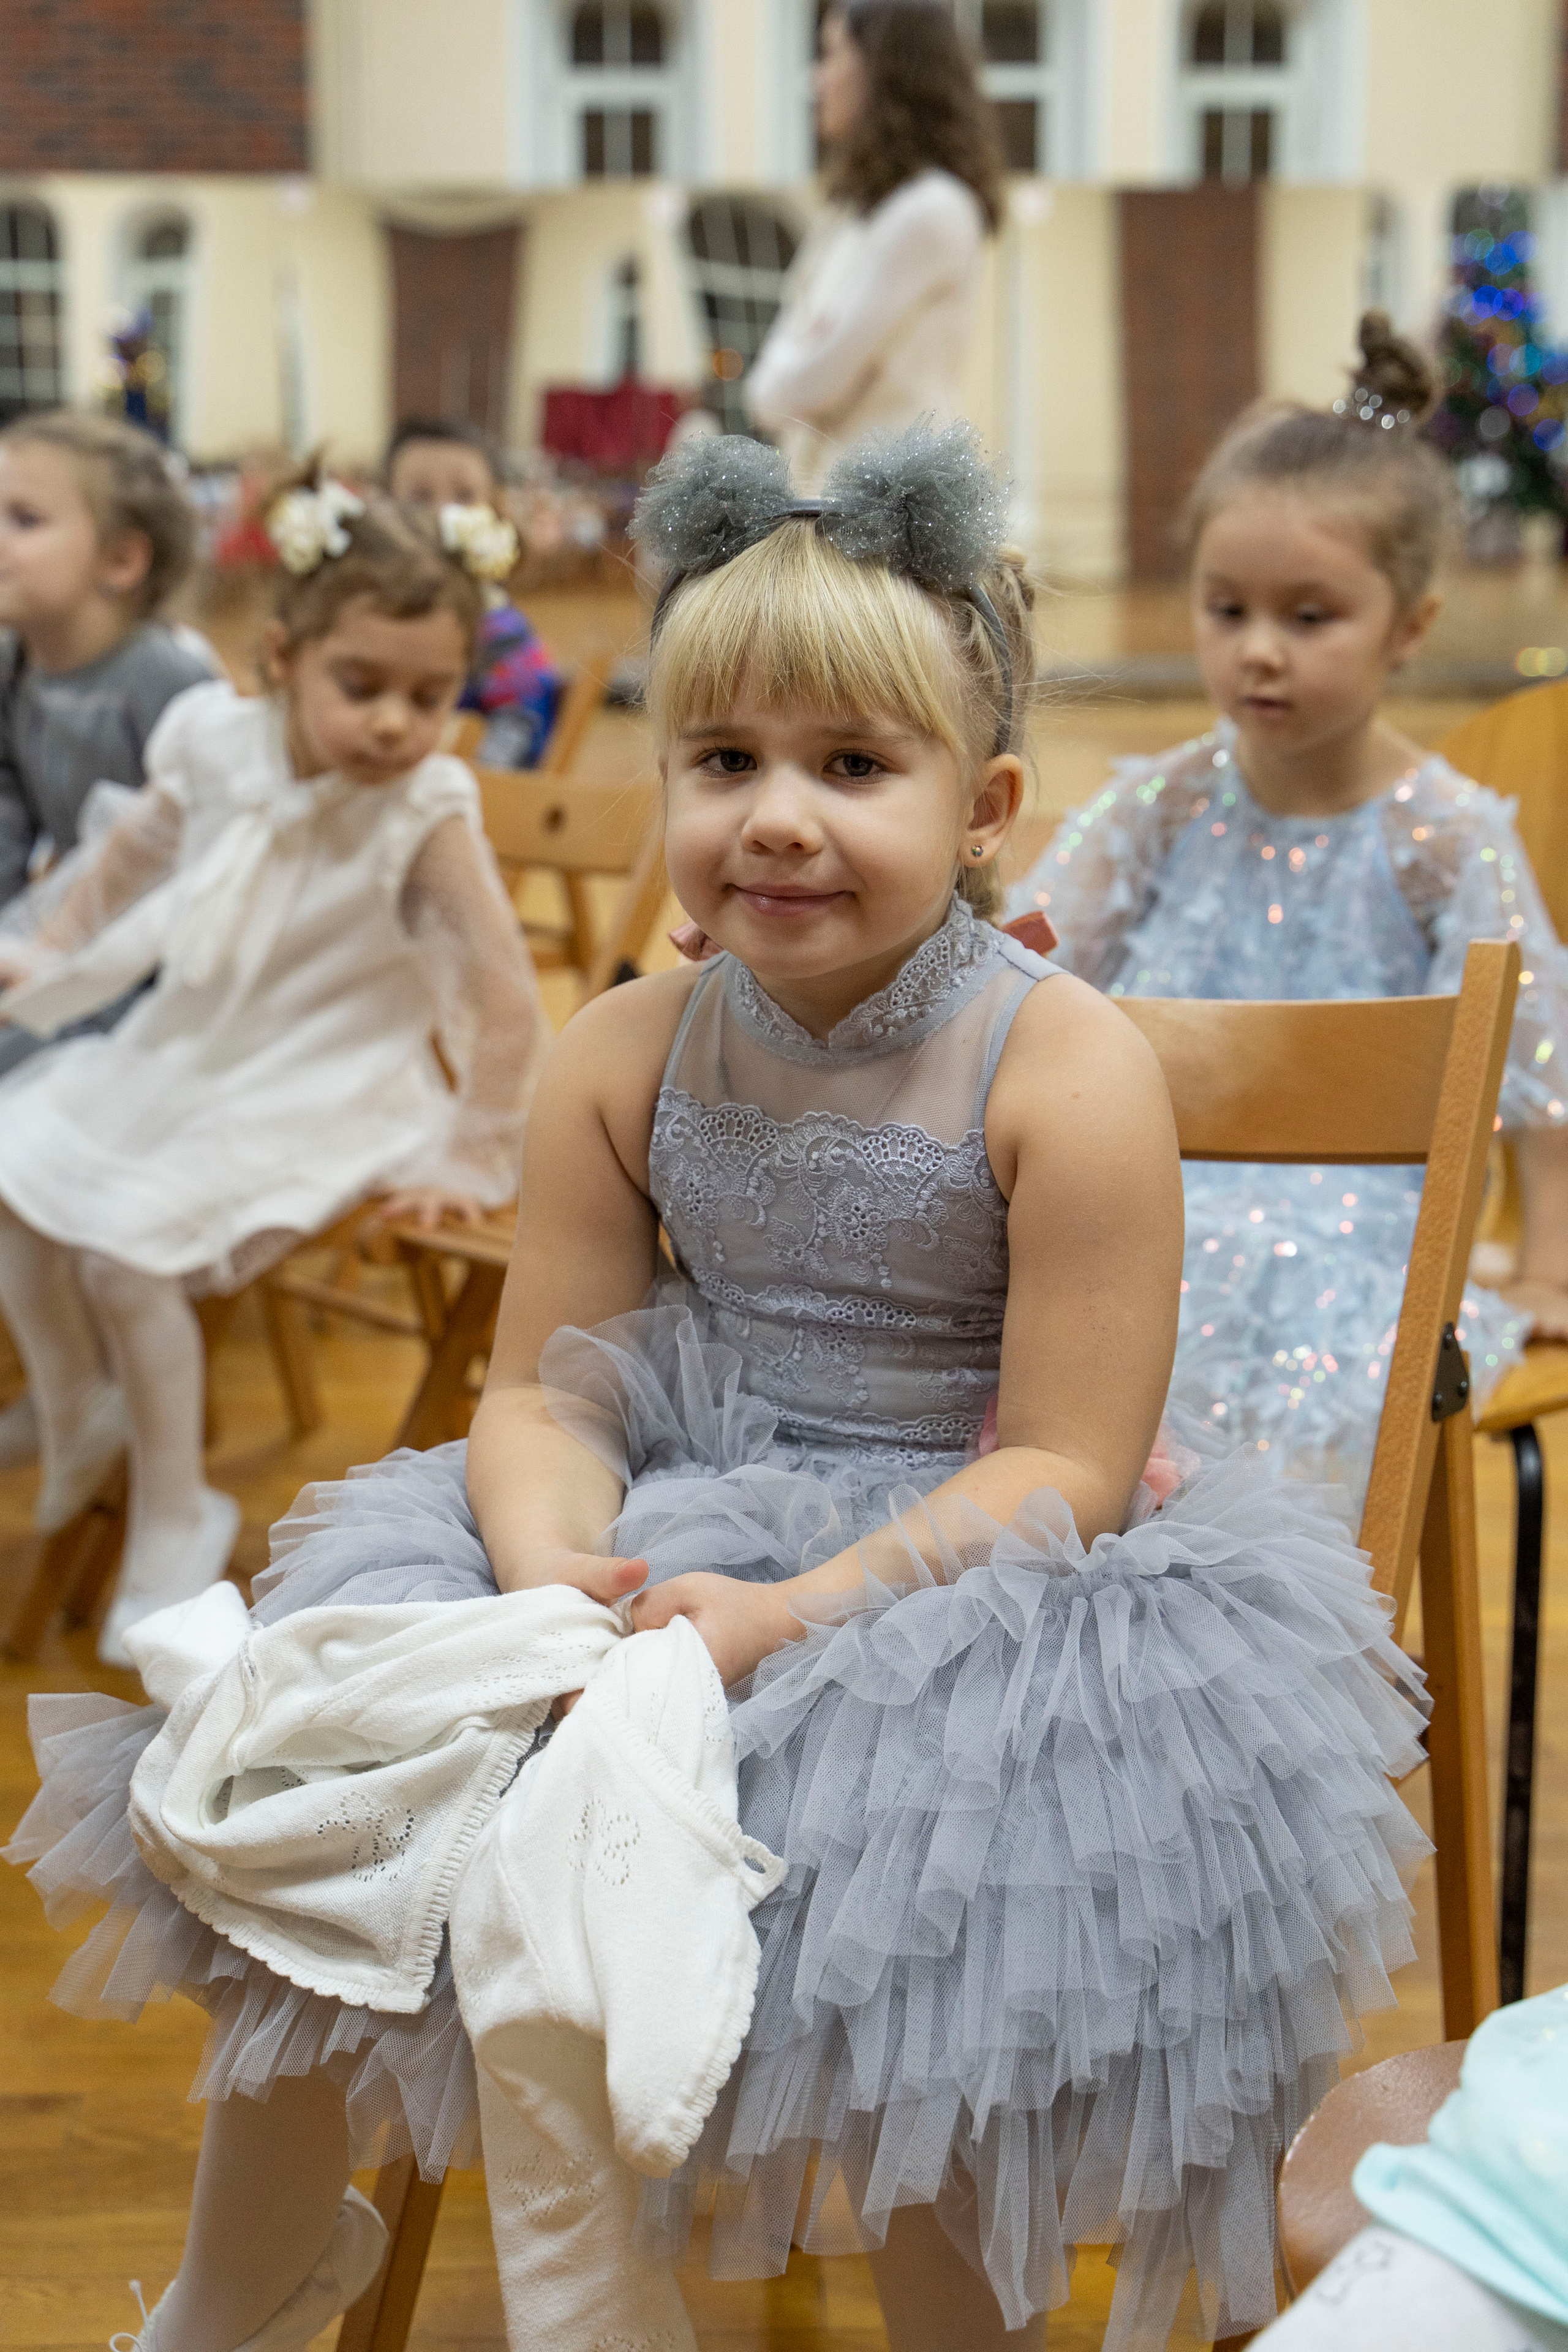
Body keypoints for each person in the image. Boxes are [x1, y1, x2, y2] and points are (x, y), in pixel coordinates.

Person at [7, 427, 1429, 2352]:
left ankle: (959, 2324)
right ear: (663, 777)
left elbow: (1071, 1461)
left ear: (984, 800)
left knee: (931, 1905)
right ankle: (239, 2280)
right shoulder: (624, 1048)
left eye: (851, 767)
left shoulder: (1061, 1066)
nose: (776, 816)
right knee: (339, 1773)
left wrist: (789, 1614)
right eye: (723, 761)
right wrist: (545, 1564)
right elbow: (543, 1390)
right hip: (664, 1506)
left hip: (970, 1566)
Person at [1009, 312, 1568, 1512]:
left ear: (1406, 628)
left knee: (1259, 1330)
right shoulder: (1157, 805)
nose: (1258, 652)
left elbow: (1539, 1068)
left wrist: (1549, 1263)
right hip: (1132, 1183)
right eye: (1225, 611)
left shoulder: (1442, 834)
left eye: (1307, 618)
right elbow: (1017, 958)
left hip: (1348, 1231)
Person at [0, 467, 546, 1661]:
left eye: (430, 692)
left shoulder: (426, 808)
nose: (398, 723)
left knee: (124, 1253)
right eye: (364, 687)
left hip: (327, 1075)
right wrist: (47, 943)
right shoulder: (216, 735)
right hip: (196, 1047)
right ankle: (74, 1400)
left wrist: (473, 1149)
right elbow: (135, 850)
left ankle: (172, 1503)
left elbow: (504, 998)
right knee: (16, 1170)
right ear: (283, 657)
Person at [0, 410, 214, 1473]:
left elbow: (208, 863)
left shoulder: (169, 685)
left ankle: (79, 1387)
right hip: (58, 948)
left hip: (158, 977)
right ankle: (62, 1380)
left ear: (123, 561)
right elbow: (10, 817)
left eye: (24, 517)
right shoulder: (17, 663)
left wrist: (63, 959)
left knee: (19, 1142)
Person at [744, 1, 1001, 492]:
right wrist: (793, 363)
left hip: (888, 519)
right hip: (833, 500)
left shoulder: (933, 209)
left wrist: (801, 355)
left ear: (884, 70)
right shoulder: (854, 216)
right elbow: (774, 387)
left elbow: (810, 381)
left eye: (832, 55)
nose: (817, 80)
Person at [385, 415, 563, 768]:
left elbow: (519, 737)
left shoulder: (500, 631)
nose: (443, 513)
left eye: (465, 496)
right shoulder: (371, 615)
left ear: (494, 511)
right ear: (385, 510)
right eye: (420, 497)